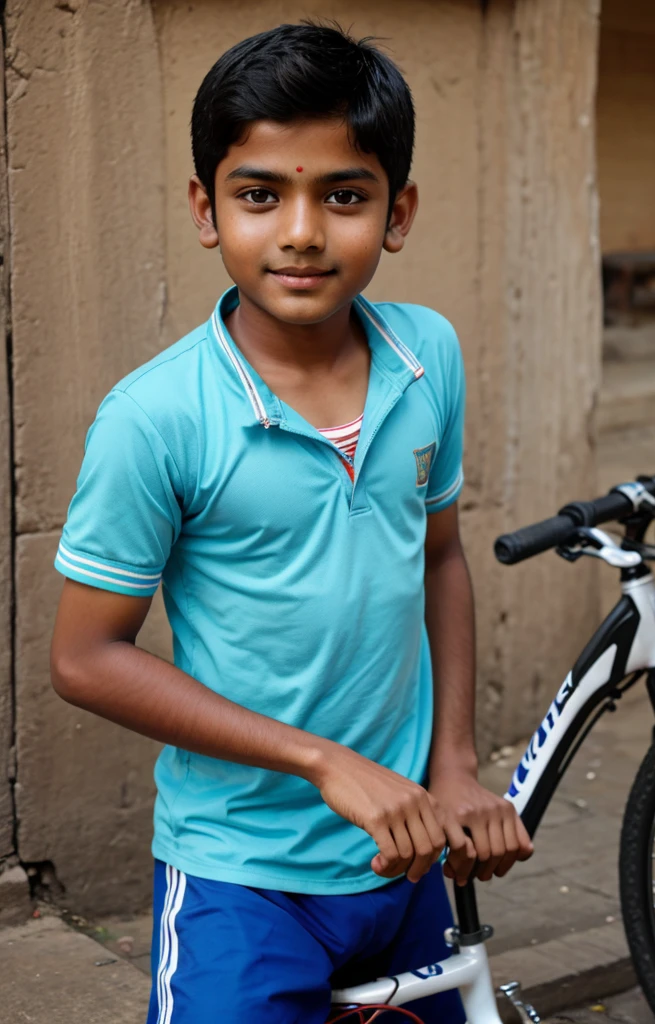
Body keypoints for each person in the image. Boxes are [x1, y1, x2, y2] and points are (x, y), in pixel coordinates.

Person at [50, 22, 532, 1024]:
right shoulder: (156, 418)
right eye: (260, 193)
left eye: (342, 196)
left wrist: (451, 763)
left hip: (404, 862)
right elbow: (87, 657)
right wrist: (322, 759)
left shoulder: (425, 356)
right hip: (243, 876)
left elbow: (438, 560)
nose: (301, 231)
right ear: (205, 207)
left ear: (396, 213)